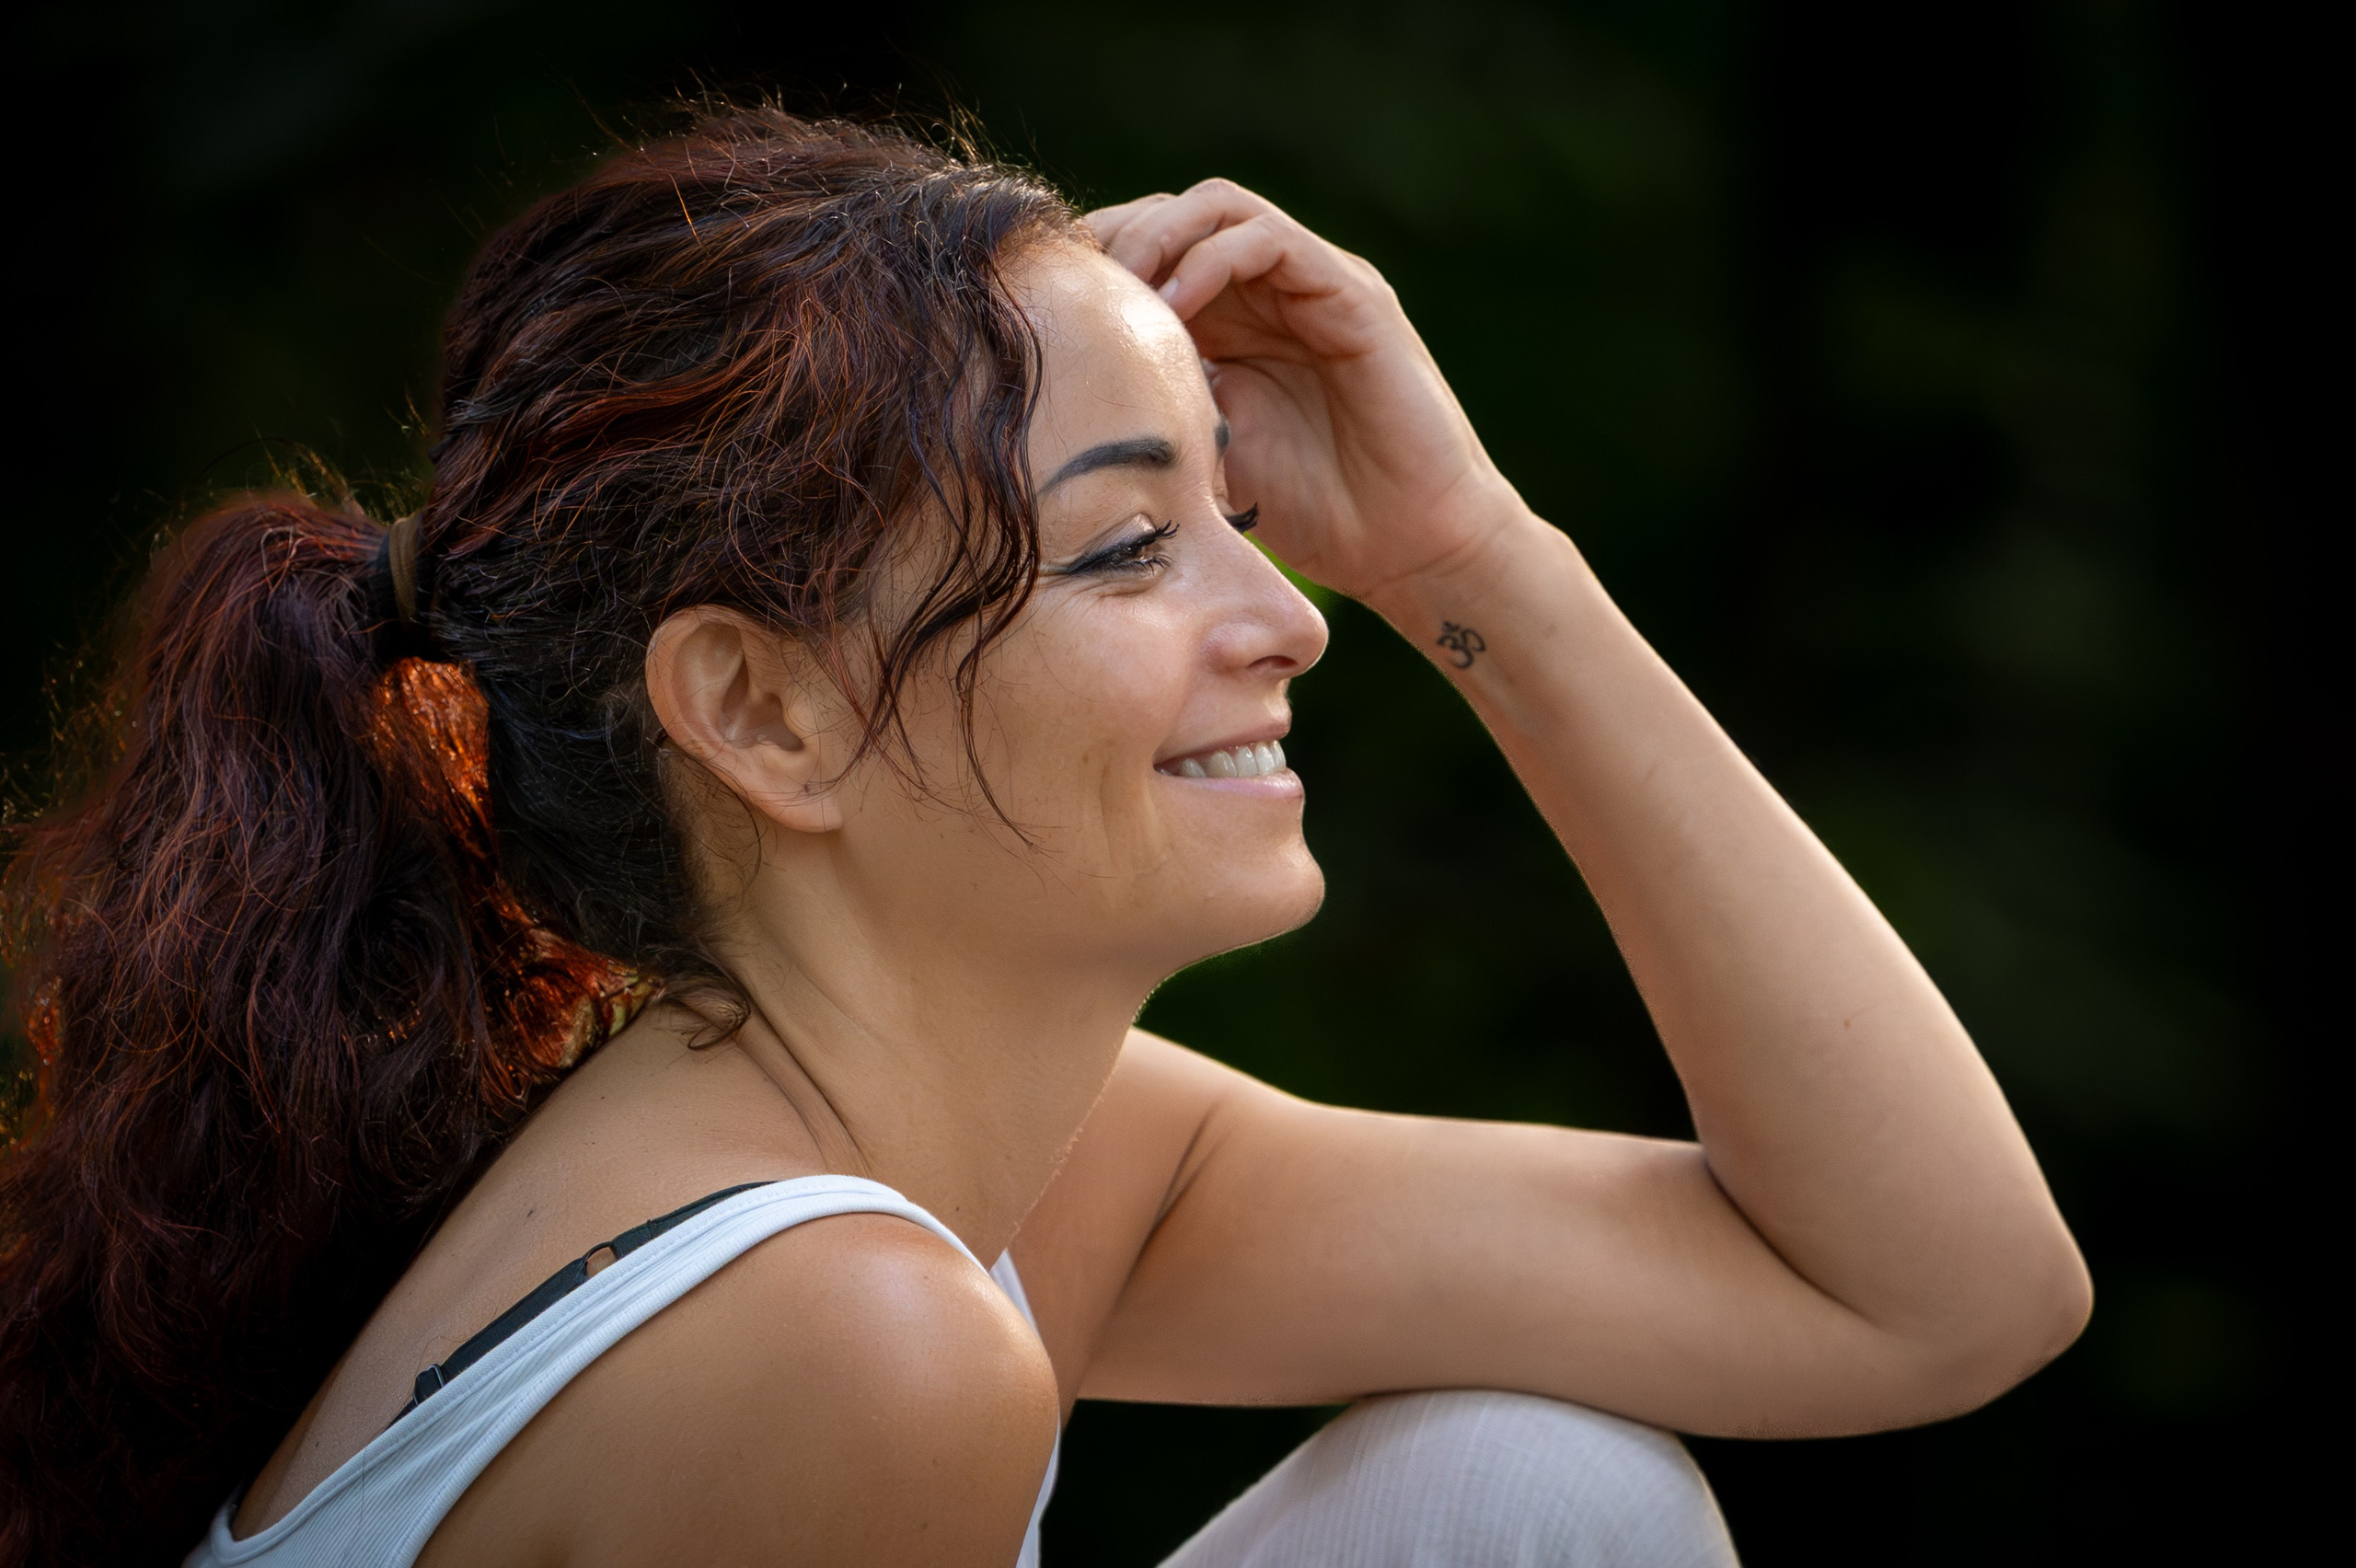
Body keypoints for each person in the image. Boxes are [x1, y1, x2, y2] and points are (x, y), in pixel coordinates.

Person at [0, 107, 2090, 1568]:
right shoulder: (844, 1338)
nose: (1283, 623)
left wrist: (1473, 556)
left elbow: (1930, 1297)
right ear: (761, 712)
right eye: (1119, 548)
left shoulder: (983, 1173)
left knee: (1540, 1494)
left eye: (1234, 514)